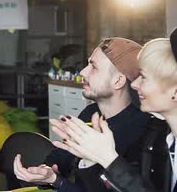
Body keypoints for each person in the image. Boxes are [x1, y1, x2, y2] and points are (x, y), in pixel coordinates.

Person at [14, 37, 150, 192]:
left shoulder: (142, 131)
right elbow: (61, 156)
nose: (83, 72)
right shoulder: (90, 113)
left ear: (118, 81)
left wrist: (58, 181)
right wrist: (47, 172)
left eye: (94, 67)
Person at [50, 28, 177, 192]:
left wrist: (107, 158)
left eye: (143, 77)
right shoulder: (162, 138)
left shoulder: (147, 133)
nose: (134, 84)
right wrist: (56, 178)